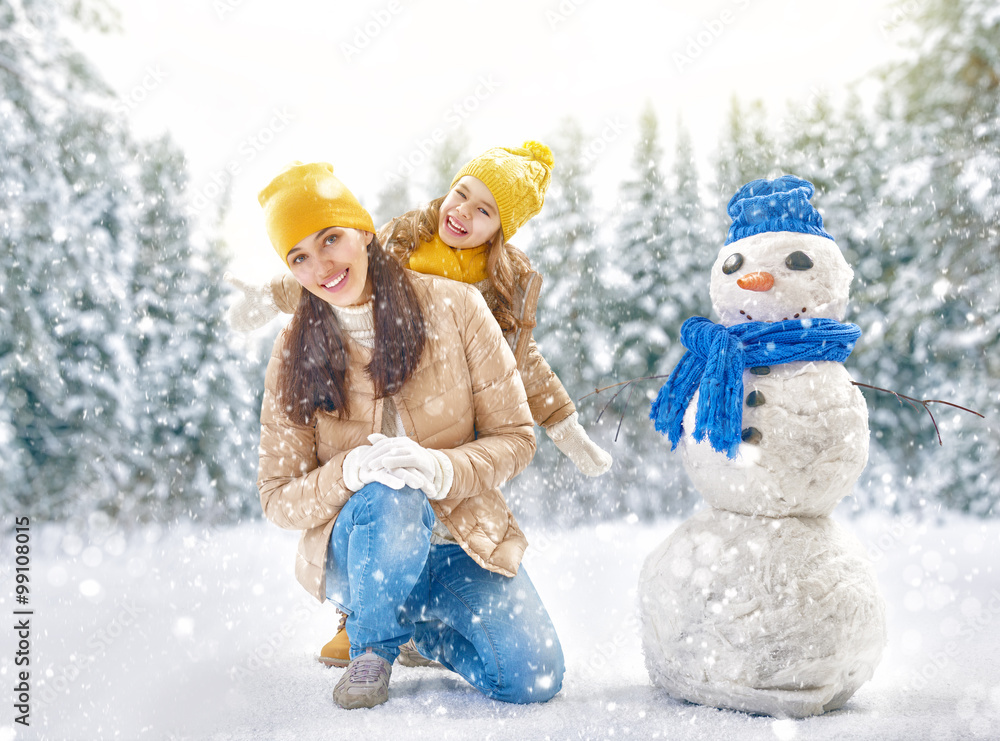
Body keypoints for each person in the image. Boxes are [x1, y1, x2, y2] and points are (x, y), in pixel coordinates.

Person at [231, 141, 612, 668]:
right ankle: (370, 626)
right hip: (367, 522)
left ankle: (420, 625)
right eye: (462, 194)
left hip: (454, 504)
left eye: (485, 211)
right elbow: (331, 278)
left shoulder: (484, 295)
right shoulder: (392, 248)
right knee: (392, 492)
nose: (464, 213)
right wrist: (349, 471)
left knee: (533, 672)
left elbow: (523, 372)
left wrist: (562, 426)